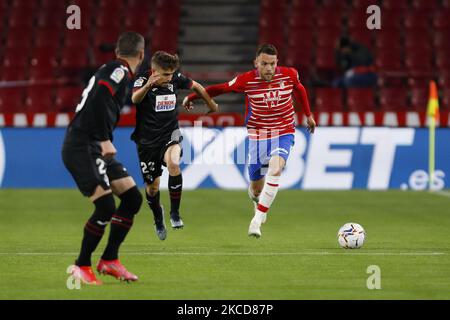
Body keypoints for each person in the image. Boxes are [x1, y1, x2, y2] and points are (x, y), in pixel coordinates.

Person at [183, 44, 316, 238]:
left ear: (277, 62)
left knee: (276, 167)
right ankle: (256, 200)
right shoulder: (246, 80)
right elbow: (219, 89)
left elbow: (300, 88)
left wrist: (308, 115)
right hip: (258, 135)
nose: (269, 68)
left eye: (272, 64)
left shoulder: (289, 75)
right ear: (256, 63)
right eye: (264, 64)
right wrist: (193, 97)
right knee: (255, 188)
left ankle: (257, 219)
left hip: (284, 131)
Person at [62, 32, 145, 285]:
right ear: (141, 55)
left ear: (118, 50)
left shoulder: (115, 68)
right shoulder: (119, 70)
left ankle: (109, 260)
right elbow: (99, 95)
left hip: (92, 145)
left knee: (131, 198)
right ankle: (81, 265)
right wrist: (103, 138)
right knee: (106, 206)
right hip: (83, 145)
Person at [131, 51, 218, 240]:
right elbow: (134, 99)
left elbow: (197, 86)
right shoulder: (142, 79)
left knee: (173, 164)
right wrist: (148, 86)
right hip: (147, 141)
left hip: (170, 134)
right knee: (152, 188)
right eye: (164, 75)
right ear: (154, 71)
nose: (169, 78)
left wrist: (210, 103)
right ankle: (158, 218)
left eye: (171, 74)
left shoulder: (175, 78)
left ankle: (175, 214)